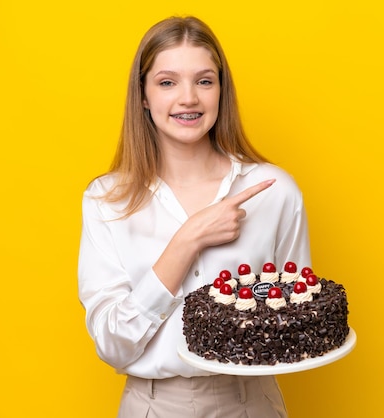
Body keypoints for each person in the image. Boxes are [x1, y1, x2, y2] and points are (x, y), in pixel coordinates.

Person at [78, 15, 311, 418]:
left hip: (249, 402)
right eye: (168, 82)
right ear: (144, 96)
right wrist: (188, 239)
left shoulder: (275, 192)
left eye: (204, 81)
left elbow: (294, 316)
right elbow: (112, 344)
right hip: (151, 405)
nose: (188, 98)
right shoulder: (106, 199)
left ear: (222, 91)